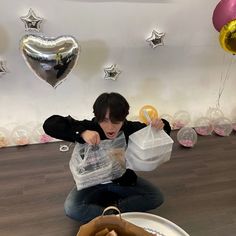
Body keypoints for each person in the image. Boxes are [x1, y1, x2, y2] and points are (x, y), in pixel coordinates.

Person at [43, 92, 171, 223]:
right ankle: (115, 217)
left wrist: (161, 125)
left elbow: (161, 131)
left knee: (156, 197)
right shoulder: (89, 127)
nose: (110, 127)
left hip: (122, 180)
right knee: (71, 208)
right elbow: (50, 125)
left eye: (116, 121)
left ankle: (113, 212)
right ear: (97, 118)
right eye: (104, 120)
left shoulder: (130, 129)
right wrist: (82, 133)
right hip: (91, 183)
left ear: (124, 117)